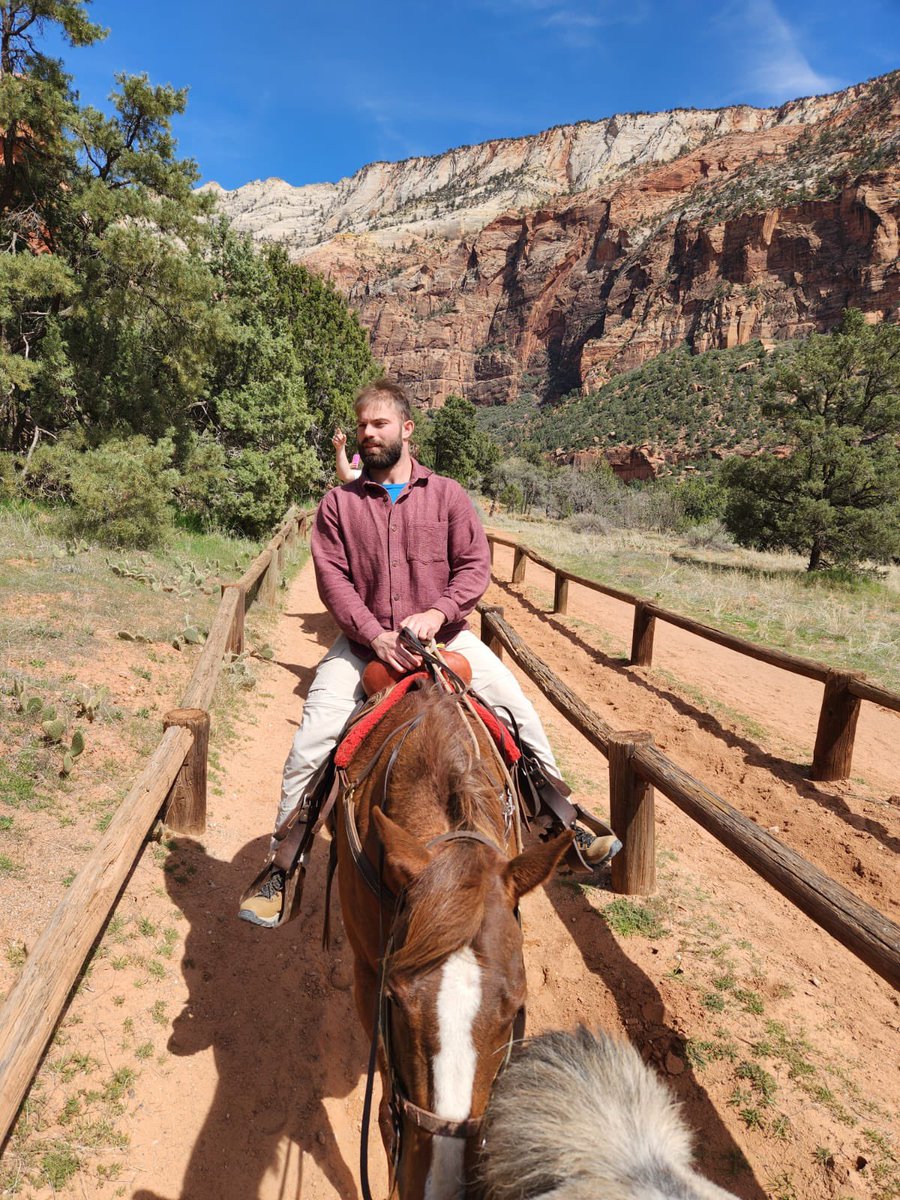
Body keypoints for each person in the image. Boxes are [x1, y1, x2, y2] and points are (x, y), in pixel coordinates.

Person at [239, 379, 620, 927]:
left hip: (447, 638)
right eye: (363, 425)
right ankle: (282, 863)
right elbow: (334, 582)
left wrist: (438, 613)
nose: (369, 434)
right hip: (363, 645)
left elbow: (473, 567)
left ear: (406, 429)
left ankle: (564, 818)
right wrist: (376, 634)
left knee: (515, 706)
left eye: (380, 424)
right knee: (313, 738)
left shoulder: (448, 496)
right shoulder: (337, 506)